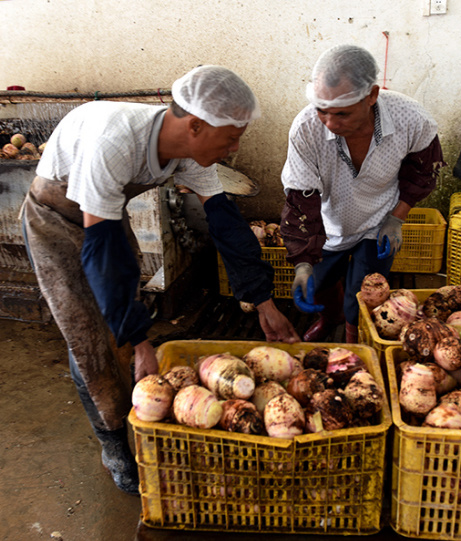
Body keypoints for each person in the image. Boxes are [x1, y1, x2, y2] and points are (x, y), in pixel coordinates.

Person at [21, 65, 300, 495]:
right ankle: (113, 442)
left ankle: (139, 412)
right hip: (55, 220)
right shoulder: (114, 142)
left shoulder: (190, 151)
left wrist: (264, 303)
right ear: (196, 125)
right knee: (91, 333)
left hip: (104, 220)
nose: (235, 147)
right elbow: (102, 252)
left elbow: (225, 223)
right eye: (231, 136)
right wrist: (141, 342)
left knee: (123, 312)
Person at [280, 45, 445, 343]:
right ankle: (330, 319)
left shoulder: (411, 119)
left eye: (342, 113)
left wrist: (397, 219)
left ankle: (354, 342)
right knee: (319, 285)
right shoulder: (306, 129)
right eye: (322, 110)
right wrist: (303, 261)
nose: (329, 123)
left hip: (379, 221)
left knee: (363, 297)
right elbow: (300, 197)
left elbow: (423, 172)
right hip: (330, 224)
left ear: (371, 95)